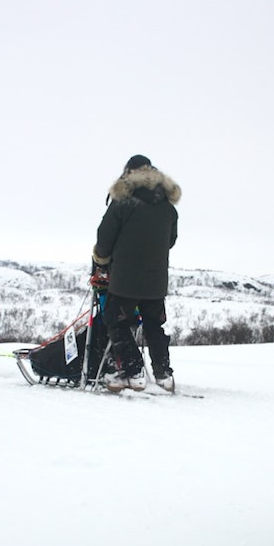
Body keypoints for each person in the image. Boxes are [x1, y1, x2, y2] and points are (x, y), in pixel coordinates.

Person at [92, 155, 181, 392]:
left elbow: (104, 239)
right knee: (154, 325)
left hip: (124, 279)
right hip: (156, 280)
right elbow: (170, 241)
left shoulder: (123, 202)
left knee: (115, 320)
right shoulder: (168, 207)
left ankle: (133, 372)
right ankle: (164, 375)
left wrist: (101, 260)